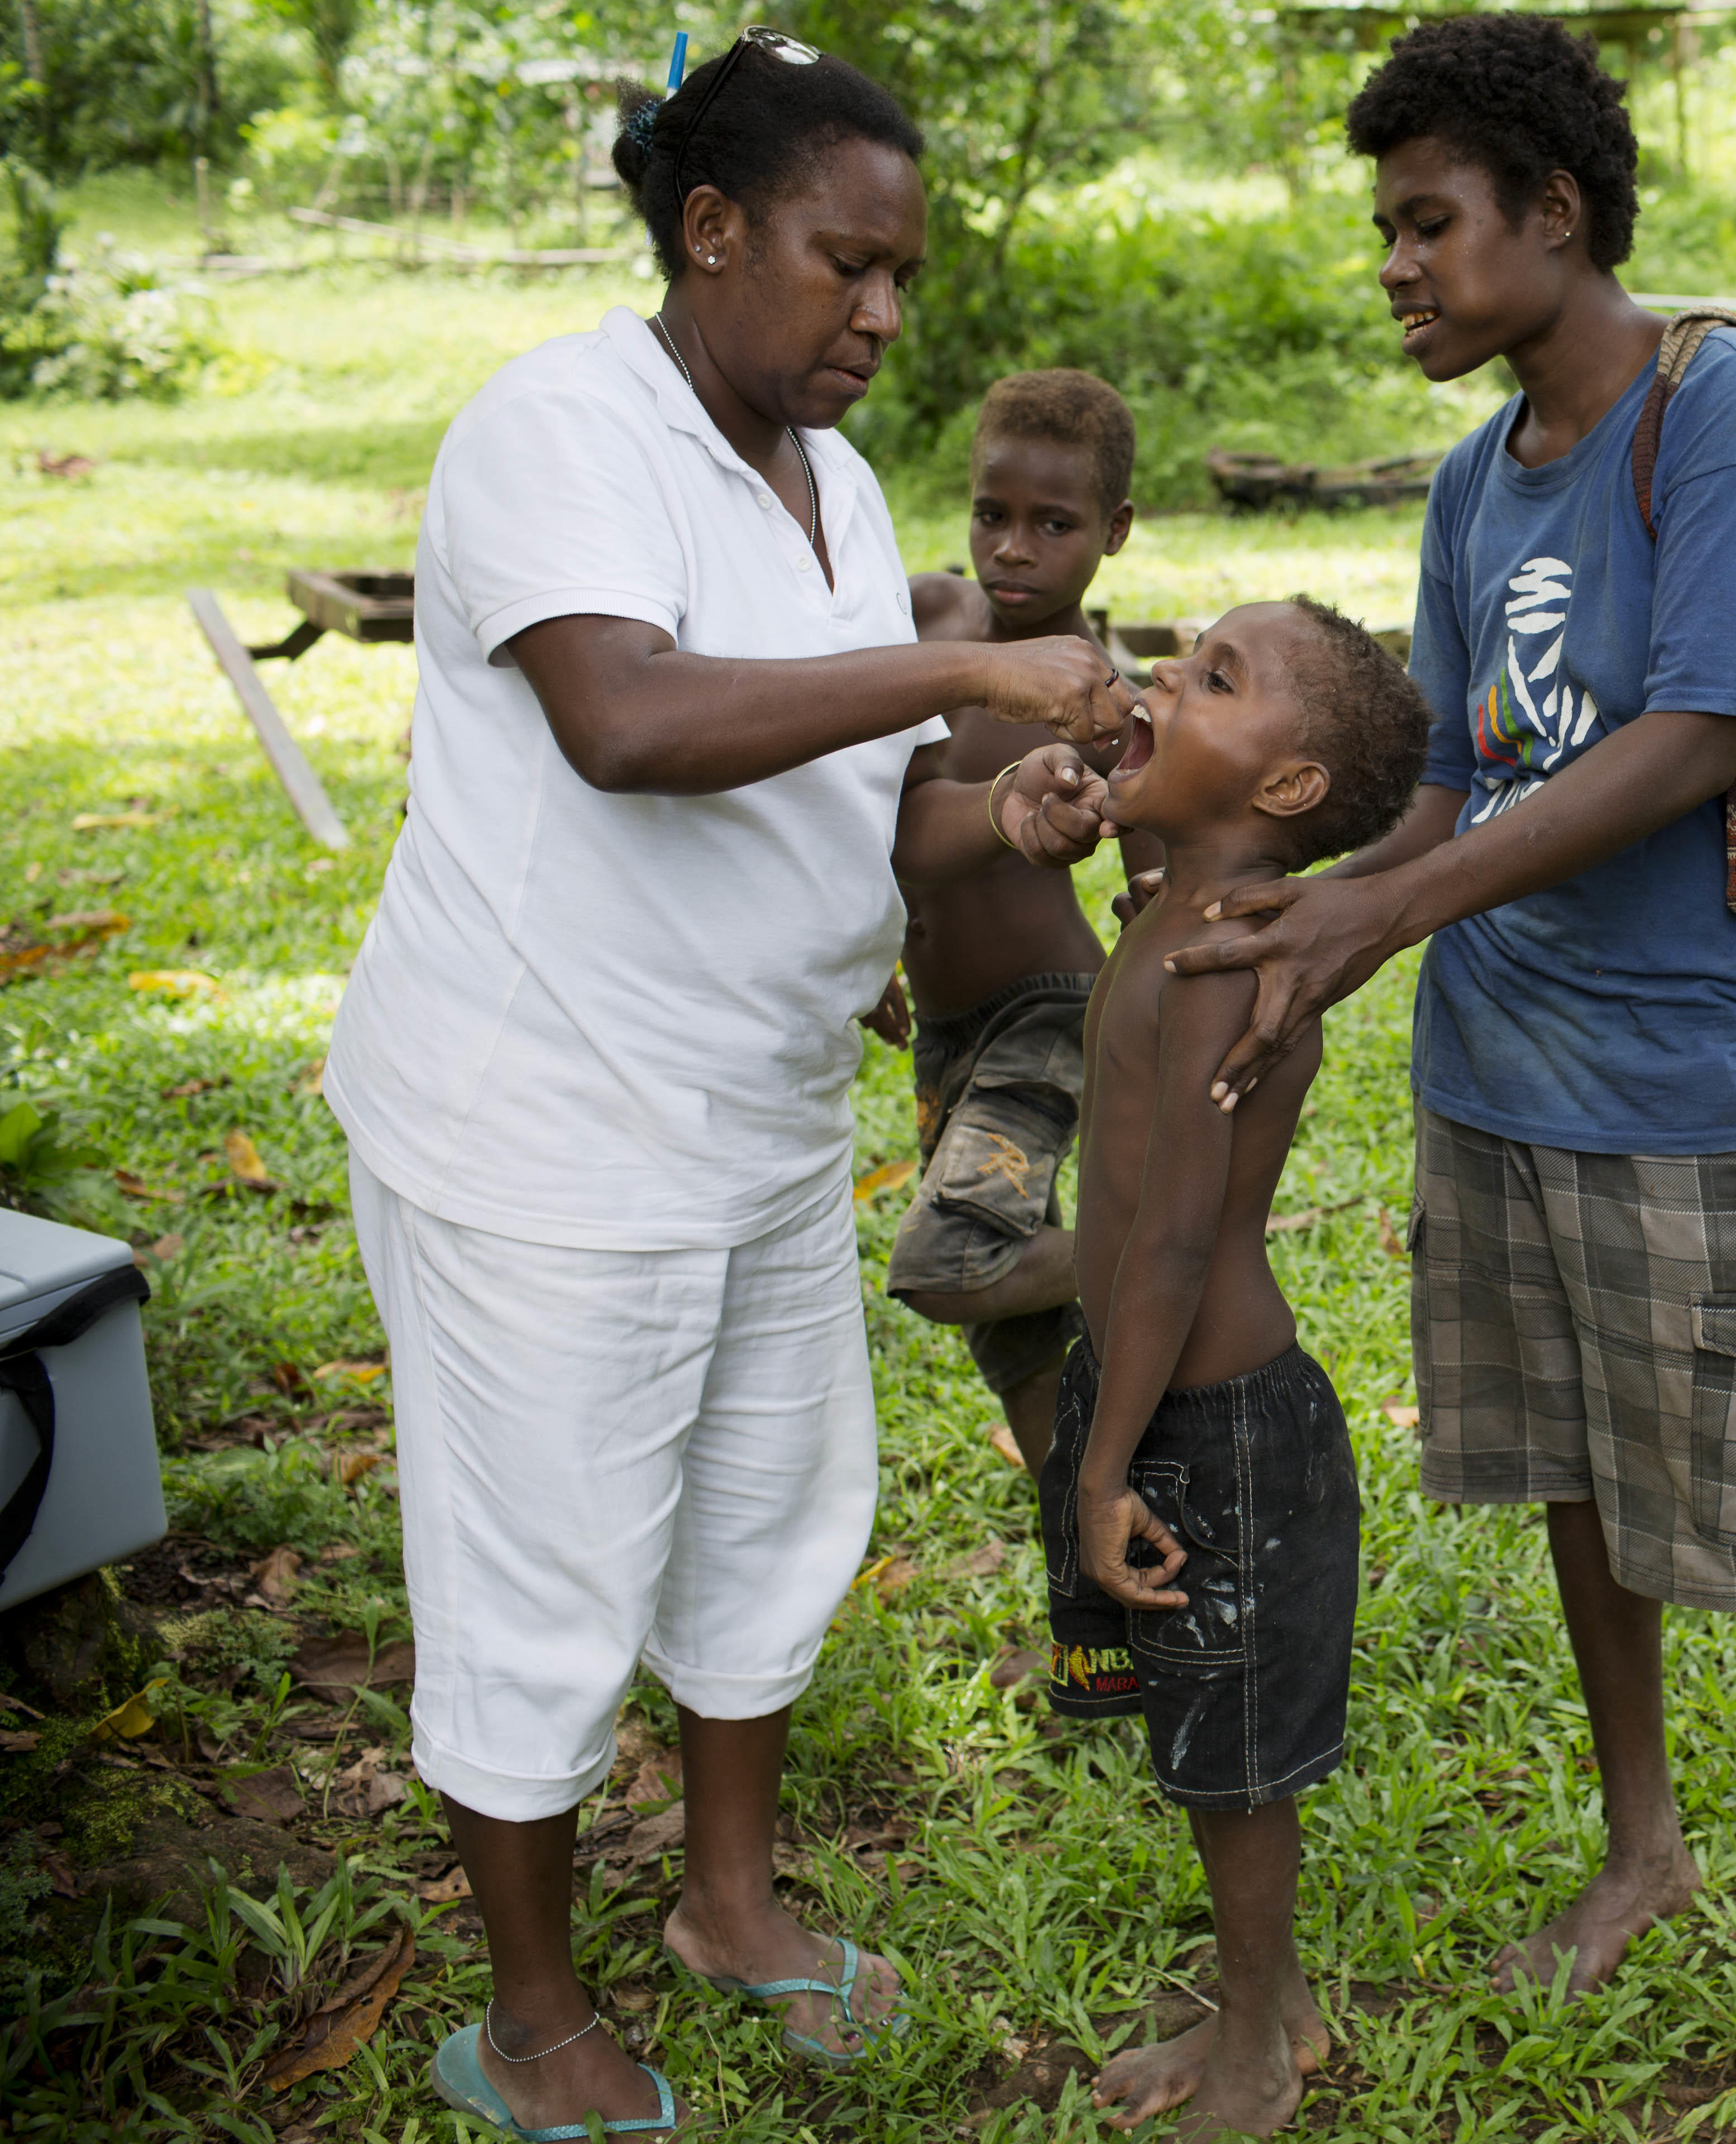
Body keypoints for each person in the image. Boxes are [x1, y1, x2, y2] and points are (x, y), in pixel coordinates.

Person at [1164, 16, 1736, 2126]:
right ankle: (1646, 1847)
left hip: (1688, 1083)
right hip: (1498, 1079)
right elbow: (1455, 777)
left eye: (1428, 222)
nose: (1398, 267)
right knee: (1579, 1485)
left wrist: (1380, 920)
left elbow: (1704, 730)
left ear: (1555, 212)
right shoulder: (1476, 480)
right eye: (1386, 231)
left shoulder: (1726, 414)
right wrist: (1298, 919)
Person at [321, 34, 1124, 2142]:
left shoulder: (836, 486)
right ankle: (529, 2018)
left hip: (754, 1117)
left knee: (770, 1521)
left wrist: (999, 809)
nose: (884, 314)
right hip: (541, 1126)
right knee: (547, 1570)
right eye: (847, 264)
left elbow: (866, 808)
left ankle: (730, 1905)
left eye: (904, 277)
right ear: (709, 230)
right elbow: (632, 721)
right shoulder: (557, 430)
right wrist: (972, 665)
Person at [1035, 600, 1429, 2137]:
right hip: (1153, 1395)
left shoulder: (1221, 958)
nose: (1160, 680)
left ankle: (1260, 2042)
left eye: (1214, 679)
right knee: (1205, 1736)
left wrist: (1102, 1465)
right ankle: (1271, 2001)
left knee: (1237, 1763)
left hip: (1214, 1425)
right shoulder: (1176, 903)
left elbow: (1179, 1243)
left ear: (1286, 789)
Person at [890, 367, 1148, 1477]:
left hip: (1044, 1016)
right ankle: (1084, 1563)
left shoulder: (1109, 709)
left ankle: (1164, 1259)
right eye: (991, 514)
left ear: (1113, 532)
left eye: (1054, 525)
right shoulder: (932, 620)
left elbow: (1160, 893)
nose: (1012, 549)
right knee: (1019, 1346)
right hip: (943, 1033)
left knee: (954, 1263)